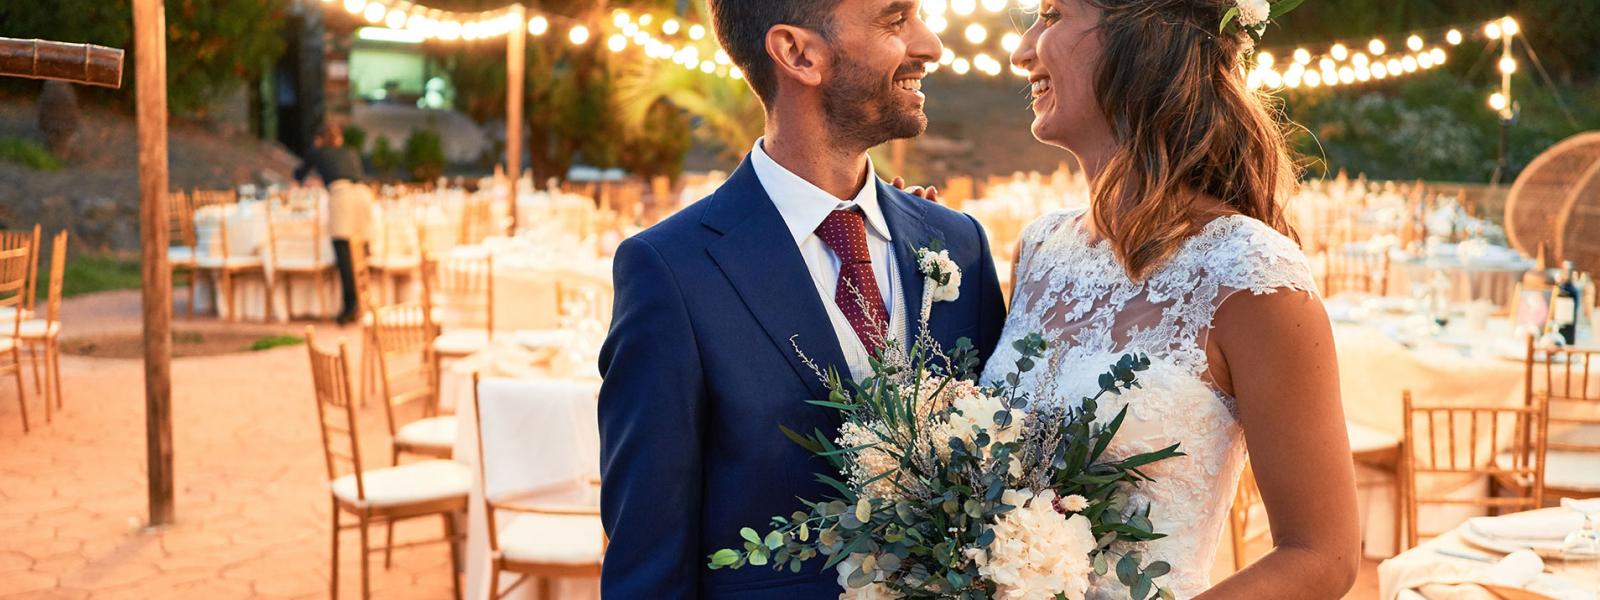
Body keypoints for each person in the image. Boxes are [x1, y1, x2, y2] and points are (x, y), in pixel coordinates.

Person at [596, 1, 1007, 598]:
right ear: (798, 54)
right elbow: (648, 558)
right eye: (896, 20)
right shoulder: (670, 271)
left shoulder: (958, 243)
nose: (931, 46)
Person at [985, 0, 1361, 597]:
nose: (1022, 49)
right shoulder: (1038, 248)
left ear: (1143, 38)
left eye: (1052, 14)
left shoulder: (1249, 272)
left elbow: (1322, 556)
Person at [294, 122, 372, 325]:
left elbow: (298, 175)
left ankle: (349, 306)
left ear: (319, 139)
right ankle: (366, 303)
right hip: (364, 195)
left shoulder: (318, 152)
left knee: (344, 251)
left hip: (342, 196)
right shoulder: (350, 152)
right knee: (361, 250)